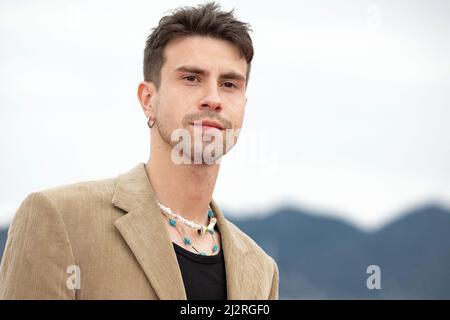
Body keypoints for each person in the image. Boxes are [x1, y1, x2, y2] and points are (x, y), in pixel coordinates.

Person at [0, 2, 279, 300]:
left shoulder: (261, 270)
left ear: (243, 106)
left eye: (229, 84)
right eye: (191, 78)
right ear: (148, 99)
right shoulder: (59, 219)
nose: (213, 98)